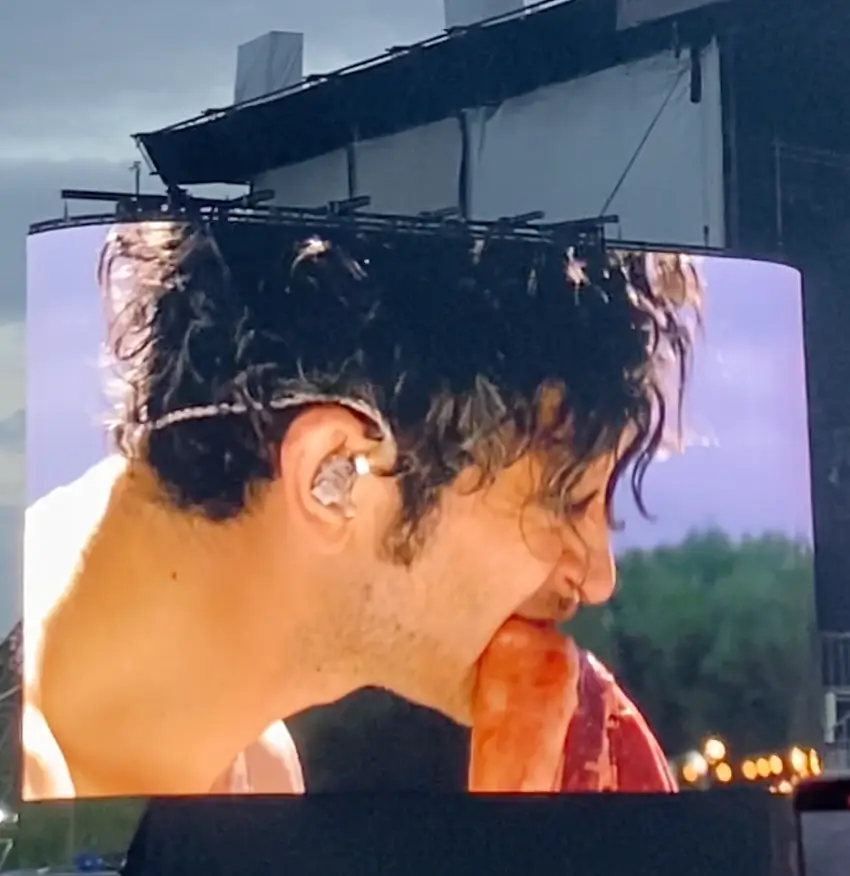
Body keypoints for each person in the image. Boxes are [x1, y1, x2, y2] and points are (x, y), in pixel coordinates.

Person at [23, 216, 698, 799]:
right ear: (332, 475)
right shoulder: (29, 773)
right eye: (564, 501)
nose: (599, 578)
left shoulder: (253, 768)